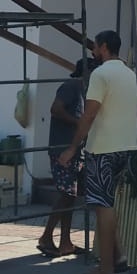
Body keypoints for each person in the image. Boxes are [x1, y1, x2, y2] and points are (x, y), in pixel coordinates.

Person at [57, 30, 137, 274]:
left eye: (95, 47)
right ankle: (119, 258)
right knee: (108, 204)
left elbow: (89, 115)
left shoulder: (100, 75)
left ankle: (105, 270)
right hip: (125, 146)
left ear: (103, 47)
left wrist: (72, 148)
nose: (93, 52)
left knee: (103, 206)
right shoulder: (130, 74)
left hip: (103, 147)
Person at [37, 57, 92, 258]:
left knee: (70, 196)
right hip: (63, 150)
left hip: (75, 150)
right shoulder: (71, 86)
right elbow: (55, 109)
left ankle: (65, 241)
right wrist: (78, 122)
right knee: (65, 194)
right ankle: (46, 237)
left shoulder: (82, 91)